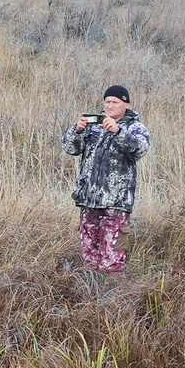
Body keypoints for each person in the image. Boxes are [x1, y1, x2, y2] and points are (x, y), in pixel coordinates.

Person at [62, 84, 151, 272]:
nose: (109, 106)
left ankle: (113, 297)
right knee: (89, 257)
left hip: (116, 203)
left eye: (115, 102)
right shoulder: (94, 126)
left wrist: (117, 131)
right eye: (107, 102)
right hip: (88, 201)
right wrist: (77, 130)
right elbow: (71, 149)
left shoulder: (136, 127)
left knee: (113, 259)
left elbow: (139, 149)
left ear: (126, 104)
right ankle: (90, 295)